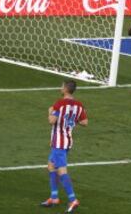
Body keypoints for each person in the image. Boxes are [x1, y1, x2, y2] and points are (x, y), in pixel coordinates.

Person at [40, 80, 88, 213]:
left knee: (61, 171)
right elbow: (84, 122)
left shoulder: (59, 103)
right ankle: (54, 197)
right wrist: (71, 120)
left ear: (66, 89)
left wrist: (50, 111)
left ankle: (73, 199)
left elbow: (51, 121)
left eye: (62, 86)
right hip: (67, 140)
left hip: (59, 142)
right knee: (51, 165)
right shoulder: (78, 105)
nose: (60, 88)